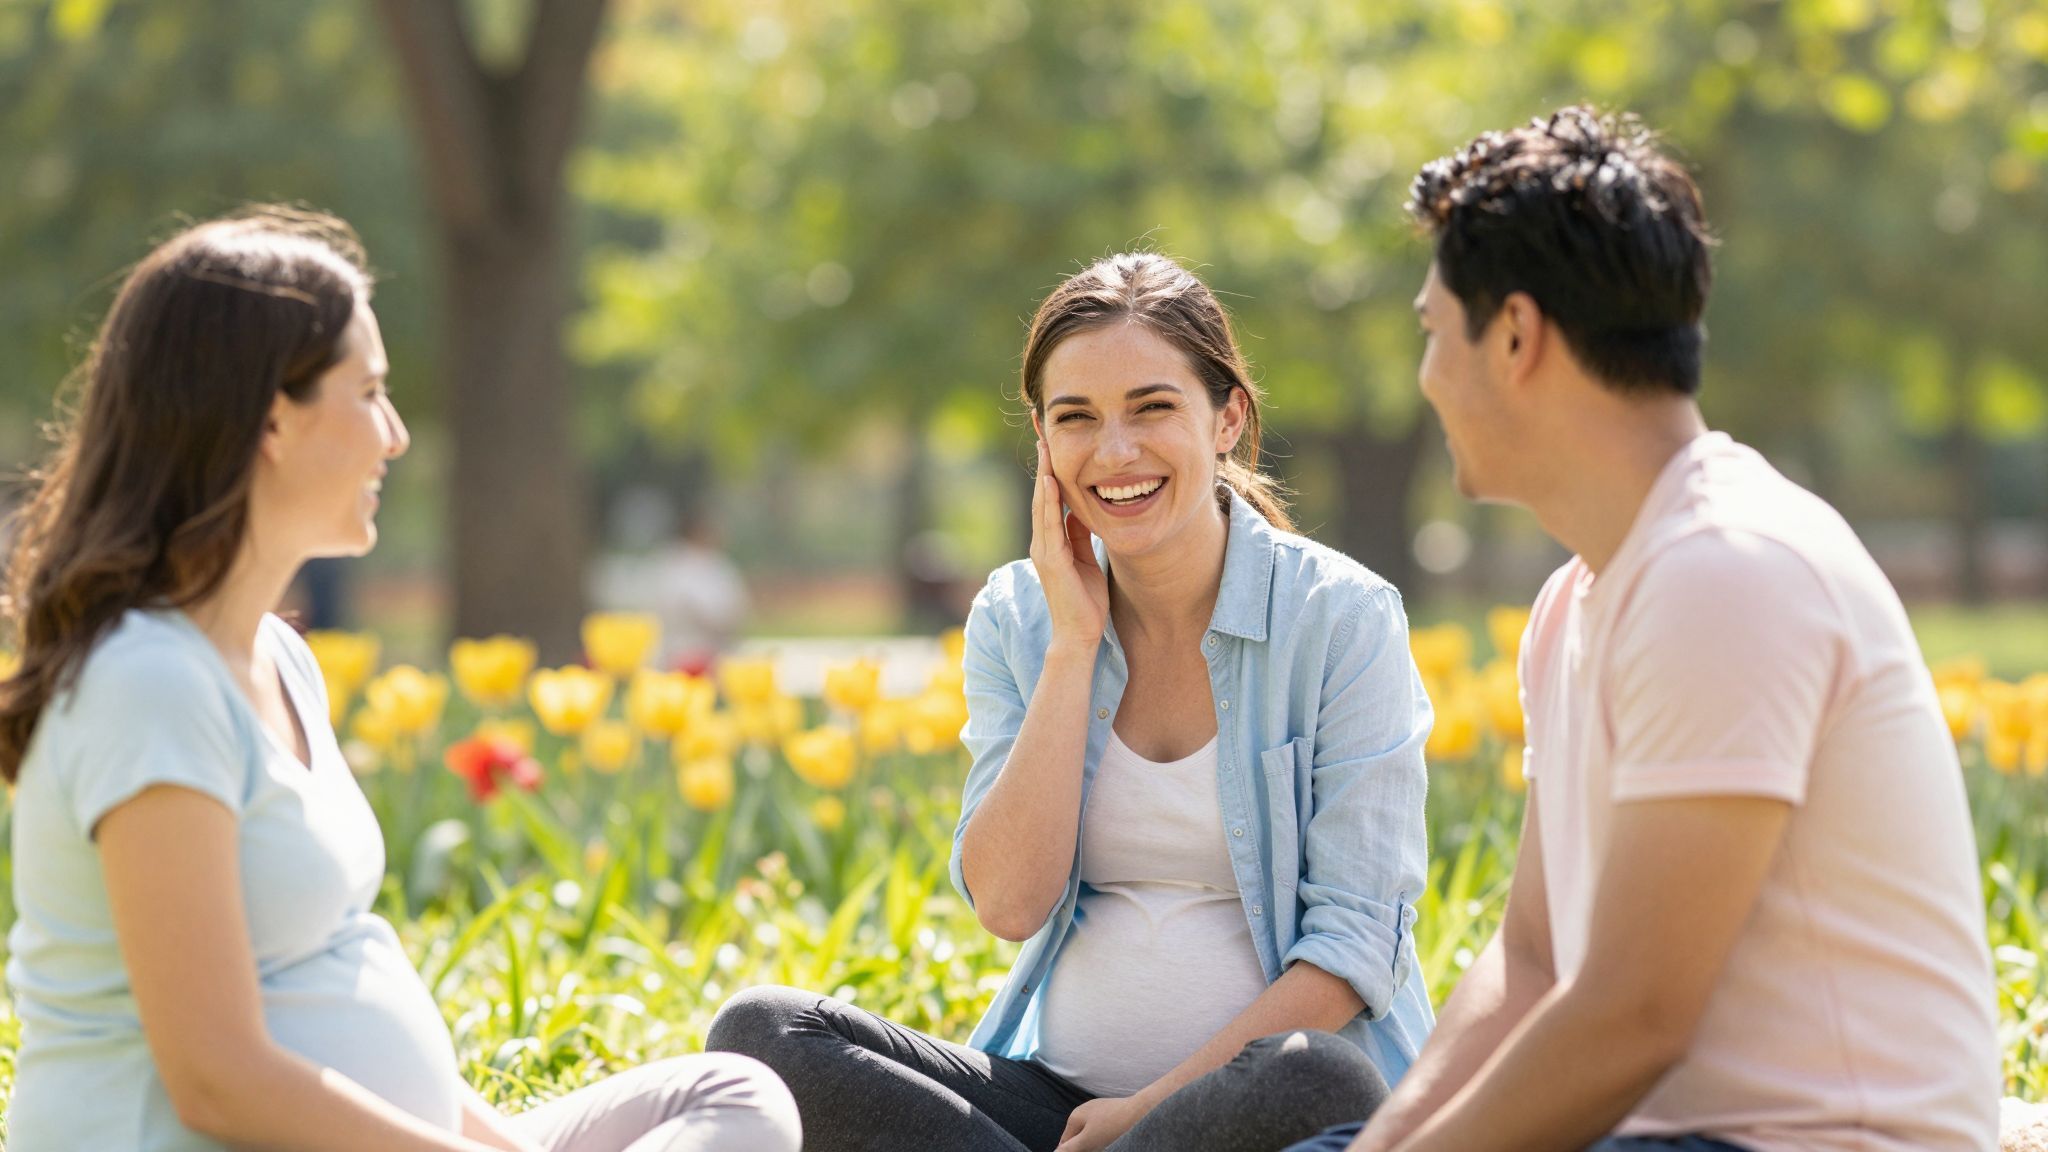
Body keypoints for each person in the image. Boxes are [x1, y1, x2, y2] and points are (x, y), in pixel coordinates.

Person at [0, 209, 801, 1152]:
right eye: (371, 393)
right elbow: (216, 1081)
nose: (397, 435)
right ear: (269, 417)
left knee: (731, 1096)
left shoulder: (280, 660)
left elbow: (335, 990)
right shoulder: (148, 684)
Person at [1286, 106, 2000, 1152]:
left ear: (1516, 335)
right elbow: (1532, 960)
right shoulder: (1578, 601)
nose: (1426, 376)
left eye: (1433, 333)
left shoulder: (1726, 572)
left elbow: (1635, 1017)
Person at [706, 251, 1437, 1152]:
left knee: (1315, 1075)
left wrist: (1144, 1112)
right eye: (1076, 417)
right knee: (763, 1035)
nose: (1115, 451)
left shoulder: (1341, 618)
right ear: (1043, 442)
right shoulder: (1017, 616)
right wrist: (1072, 645)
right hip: (1055, 1107)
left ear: (1228, 418)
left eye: (1153, 407)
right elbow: (1010, 904)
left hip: (1247, 1113)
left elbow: (1352, 951)